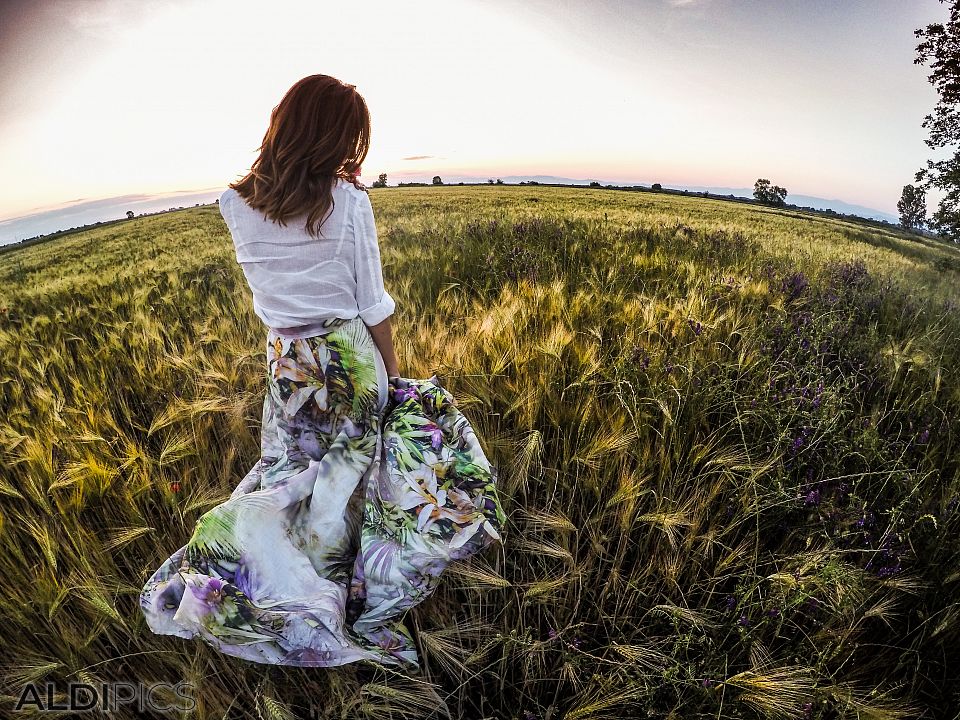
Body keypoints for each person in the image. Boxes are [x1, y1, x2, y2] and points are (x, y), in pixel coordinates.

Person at [138, 74, 505, 672]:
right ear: (334, 140)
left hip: (287, 368)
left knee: (299, 477)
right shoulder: (350, 203)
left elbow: (270, 296)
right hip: (347, 362)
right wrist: (395, 374)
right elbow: (372, 304)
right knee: (351, 483)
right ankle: (351, 587)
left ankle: (285, 575)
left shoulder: (232, 204)